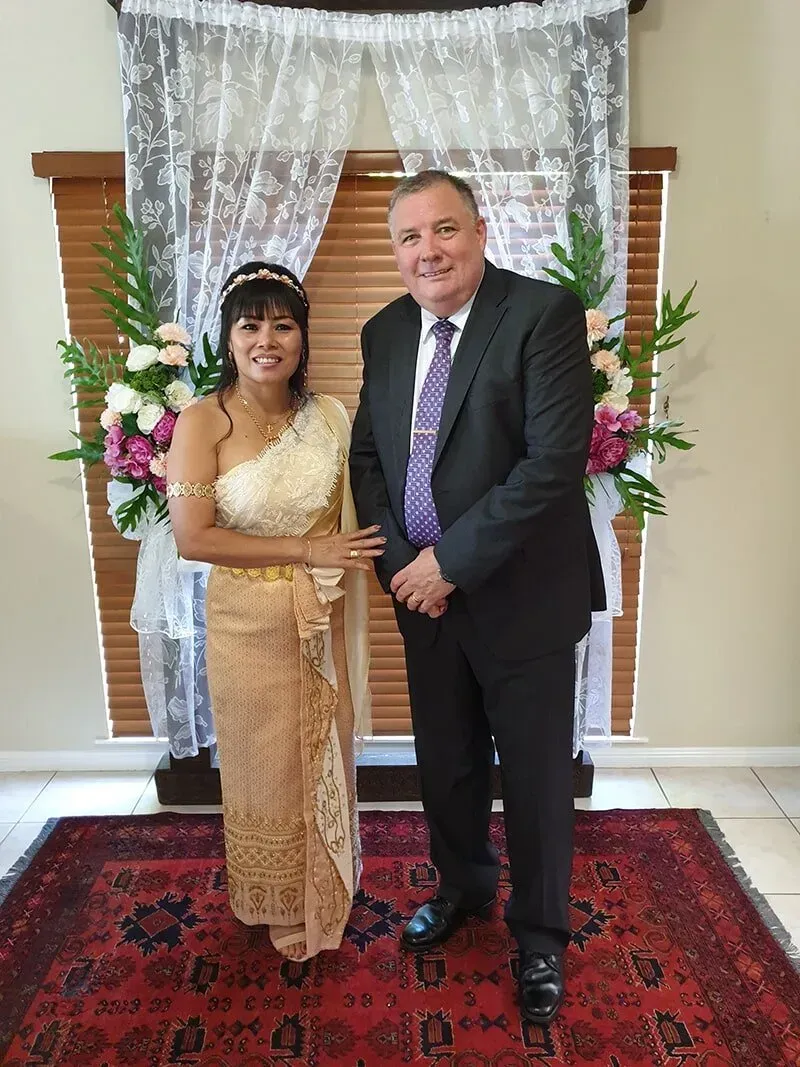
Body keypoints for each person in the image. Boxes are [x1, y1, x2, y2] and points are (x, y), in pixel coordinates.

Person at [349, 172, 605, 1023]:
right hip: (421, 600)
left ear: (480, 230)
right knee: (446, 765)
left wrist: (448, 560)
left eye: (444, 229)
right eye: (410, 237)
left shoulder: (541, 314)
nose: (428, 250)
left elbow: (549, 466)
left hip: (522, 595)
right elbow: (370, 462)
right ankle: (463, 888)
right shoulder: (383, 332)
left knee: (533, 778)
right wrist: (399, 566)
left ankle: (540, 937)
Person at [167, 262, 384, 962]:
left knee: (324, 753)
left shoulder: (328, 416)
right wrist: (304, 548)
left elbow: (355, 516)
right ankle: (278, 895)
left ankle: (327, 881)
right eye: (251, 324)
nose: (268, 339)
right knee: (267, 764)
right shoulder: (203, 420)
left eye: (283, 324)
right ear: (229, 338)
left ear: (302, 336)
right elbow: (192, 537)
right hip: (246, 625)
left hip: (320, 614)